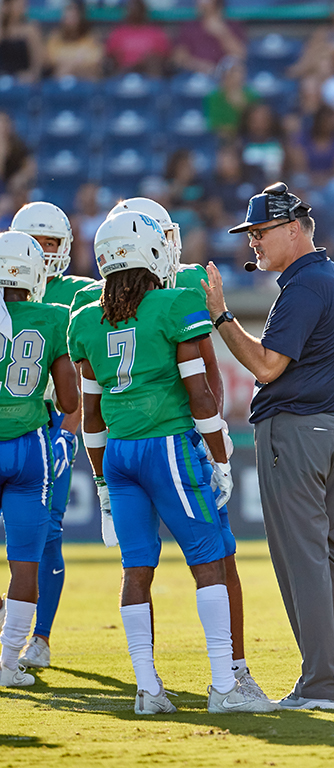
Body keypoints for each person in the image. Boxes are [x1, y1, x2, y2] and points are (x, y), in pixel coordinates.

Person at [202, 181, 334, 709]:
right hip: (331, 431)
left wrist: (221, 316)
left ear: (295, 228)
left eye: (261, 231)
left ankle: (318, 685)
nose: (253, 242)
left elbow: (268, 366)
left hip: (297, 431)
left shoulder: (306, 284)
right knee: (331, 559)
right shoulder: (331, 276)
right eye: (250, 234)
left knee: (305, 563)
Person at [68, 207, 275, 713]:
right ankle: (225, 687)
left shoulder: (85, 319)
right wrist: (222, 457)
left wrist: (98, 483)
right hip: (169, 448)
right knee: (209, 562)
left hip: (118, 455)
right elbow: (202, 396)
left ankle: (147, 688)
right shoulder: (175, 304)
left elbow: (90, 416)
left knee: (136, 569)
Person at [8, 201, 96, 670]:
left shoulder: (82, 291)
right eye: (37, 241)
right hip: (21, 418)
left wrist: (70, 429)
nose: (45, 251)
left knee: (49, 532)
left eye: (52, 242)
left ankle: (39, 635)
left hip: (52, 421)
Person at [0, 230, 78, 688]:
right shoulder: (51, 316)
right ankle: (9, 662)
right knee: (26, 559)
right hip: (30, 449)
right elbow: (69, 399)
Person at [172, 0, 246, 76]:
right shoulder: (190, 27)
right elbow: (178, 58)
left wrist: (222, 32)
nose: (200, 2)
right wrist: (200, 66)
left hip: (224, 77)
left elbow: (240, 54)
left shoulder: (231, 24)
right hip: (195, 75)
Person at [105, 0, 171, 77]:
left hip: (148, 74)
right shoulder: (118, 33)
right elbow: (109, 56)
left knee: (153, 63)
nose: (134, 11)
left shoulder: (156, 33)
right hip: (124, 73)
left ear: (143, 10)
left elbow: (165, 57)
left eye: (137, 8)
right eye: (131, 8)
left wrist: (146, 61)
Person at [45, 0, 104, 80]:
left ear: (81, 16)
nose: (69, 18)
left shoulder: (92, 39)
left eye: (74, 15)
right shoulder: (54, 38)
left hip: (85, 84)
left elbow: (95, 65)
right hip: (58, 85)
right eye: (67, 14)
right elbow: (49, 63)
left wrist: (71, 68)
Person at [0, 0, 43, 82]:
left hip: (23, 80)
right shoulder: (2, 30)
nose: (21, 7)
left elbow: (37, 63)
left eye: (23, 4)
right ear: (8, 6)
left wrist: (32, 76)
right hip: (3, 79)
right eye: (18, 4)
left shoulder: (31, 30)